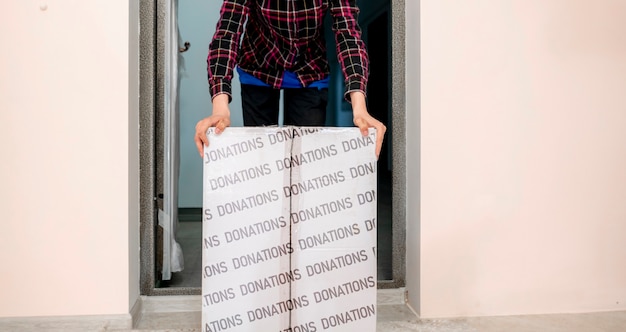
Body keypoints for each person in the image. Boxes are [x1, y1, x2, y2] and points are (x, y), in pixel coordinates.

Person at [194, 0, 386, 158]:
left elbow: (348, 35)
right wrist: (220, 108)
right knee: (261, 159)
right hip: (259, 63)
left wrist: (359, 108)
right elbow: (227, 32)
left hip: (310, 68)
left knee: (305, 159)